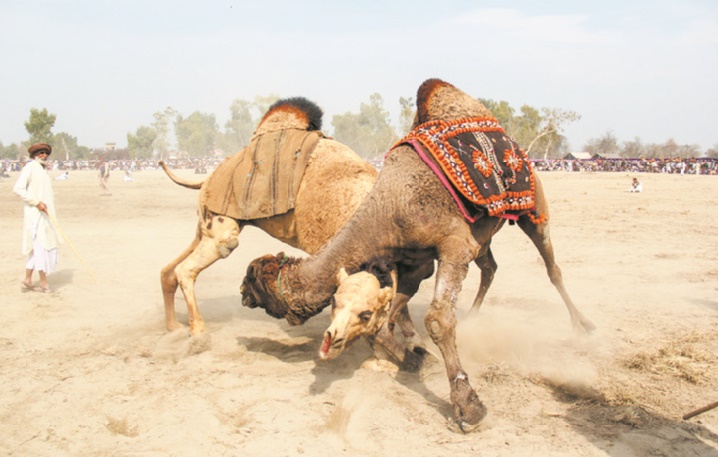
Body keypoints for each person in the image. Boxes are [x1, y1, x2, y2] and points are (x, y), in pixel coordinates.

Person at [12, 143, 63, 293]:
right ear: (35, 155)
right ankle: (43, 282)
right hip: (35, 217)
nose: (44, 155)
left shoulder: (44, 170)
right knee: (41, 249)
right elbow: (18, 189)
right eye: (41, 153)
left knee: (36, 250)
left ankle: (27, 280)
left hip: (46, 215)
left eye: (46, 153)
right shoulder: (30, 167)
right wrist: (36, 202)